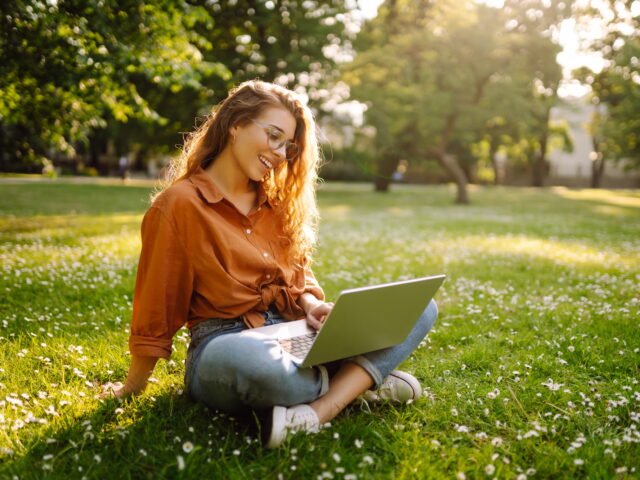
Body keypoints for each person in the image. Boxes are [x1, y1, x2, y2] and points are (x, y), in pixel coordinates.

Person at [101, 80, 438, 448]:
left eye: (288, 146)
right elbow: (158, 305)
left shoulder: (278, 204)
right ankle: (362, 381)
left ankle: (318, 411)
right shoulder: (178, 205)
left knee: (423, 306)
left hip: (296, 334)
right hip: (225, 346)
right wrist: (132, 387)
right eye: (273, 136)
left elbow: (298, 276)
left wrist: (312, 305)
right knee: (262, 368)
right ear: (235, 125)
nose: (279, 153)